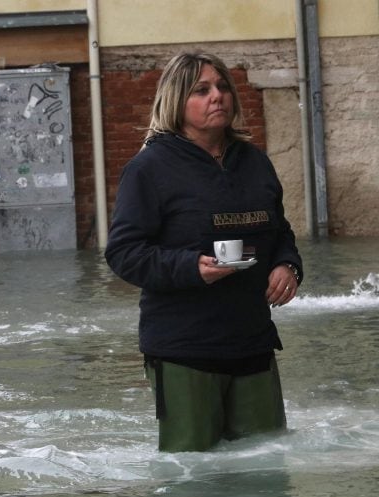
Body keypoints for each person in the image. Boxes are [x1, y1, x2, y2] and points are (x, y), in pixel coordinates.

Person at [104, 53, 304, 452]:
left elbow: (280, 231)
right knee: (194, 476)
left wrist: (288, 265)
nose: (218, 97)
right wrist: (190, 267)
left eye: (223, 87)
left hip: (253, 343)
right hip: (184, 349)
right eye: (202, 90)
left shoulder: (255, 162)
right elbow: (123, 253)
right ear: (177, 101)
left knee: (265, 467)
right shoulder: (149, 168)